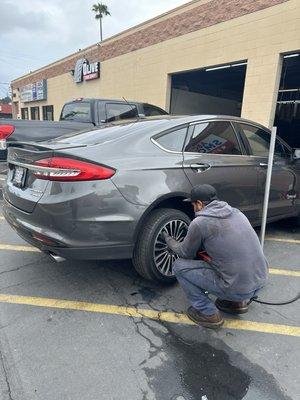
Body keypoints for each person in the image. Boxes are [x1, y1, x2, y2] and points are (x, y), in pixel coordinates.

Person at [163, 184, 268, 329]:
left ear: (199, 204)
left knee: (179, 266)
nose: (193, 208)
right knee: (227, 261)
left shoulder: (200, 223)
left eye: (193, 204)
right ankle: (237, 304)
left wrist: (170, 241)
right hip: (260, 282)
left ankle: (208, 313)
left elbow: (185, 253)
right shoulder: (237, 213)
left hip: (237, 288)